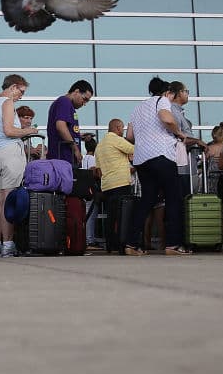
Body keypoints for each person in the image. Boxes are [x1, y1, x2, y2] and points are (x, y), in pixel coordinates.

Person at [124, 76, 191, 256]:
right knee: (173, 198)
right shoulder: (162, 101)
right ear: (166, 92)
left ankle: (131, 244)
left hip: (142, 159)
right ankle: (173, 245)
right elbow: (167, 119)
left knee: (146, 200)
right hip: (161, 155)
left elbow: (129, 136)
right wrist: (179, 133)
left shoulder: (137, 108)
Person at [0, 74, 38, 257]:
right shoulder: (7, 102)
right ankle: (7, 245)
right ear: (13, 87)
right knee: (9, 202)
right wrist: (28, 131)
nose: (21, 96)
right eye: (21, 91)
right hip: (8, 153)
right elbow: (8, 130)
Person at [94, 118, 134, 251]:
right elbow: (133, 149)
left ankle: (110, 245)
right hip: (121, 182)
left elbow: (98, 171)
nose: (122, 131)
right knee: (123, 216)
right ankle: (122, 244)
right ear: (117, 128)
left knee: (110, 216)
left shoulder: (100, 145)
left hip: (106, 185)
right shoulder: (116, 139)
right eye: (122, 128)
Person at [168, 80, 206, 196]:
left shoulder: (178, 112)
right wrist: (197, 141)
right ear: (179, 93)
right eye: (186, 91)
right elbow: (177, 137)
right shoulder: (173, 111)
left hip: (187, 165)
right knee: (182, 200)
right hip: (181, 166)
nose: (187, 94)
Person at [47, 80, 93, 166]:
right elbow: (61, 127)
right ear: (76, 91)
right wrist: (76, 149)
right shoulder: (64, 101)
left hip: (64, 159)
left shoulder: (65, 104)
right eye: (85, 99)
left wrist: (79, 136)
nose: (85, 103)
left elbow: (64, 129)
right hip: (63, 159)